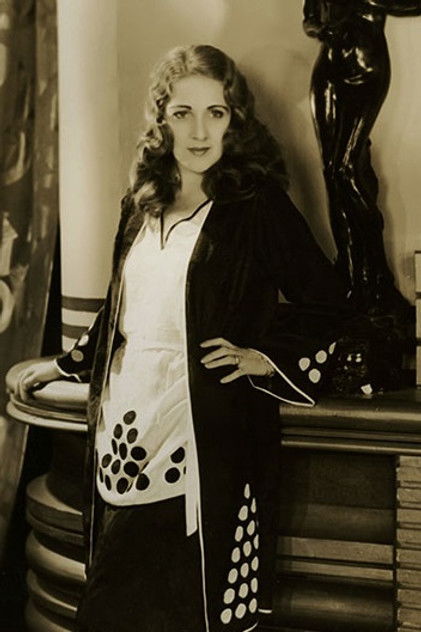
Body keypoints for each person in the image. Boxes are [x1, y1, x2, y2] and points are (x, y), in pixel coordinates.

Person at [17, 45, 345, 632]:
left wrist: (263, 358)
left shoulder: (255, 205)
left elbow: (327, 300)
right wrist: (66, 365)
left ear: (234, 118)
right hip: (124, 424)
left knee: (174, 609)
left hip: (200, 438)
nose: (199, 132)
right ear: (161, 119)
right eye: (183, 113)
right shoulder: (141, 203)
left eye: (215, 113)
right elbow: (122, 308)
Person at [303, 0, 419, 317]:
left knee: (345, 170)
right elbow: (309, 20)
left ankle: (376, 274)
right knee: (332, 172)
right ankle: (351, 272)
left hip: (366, 68)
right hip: (328, 69)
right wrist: (323, 28)